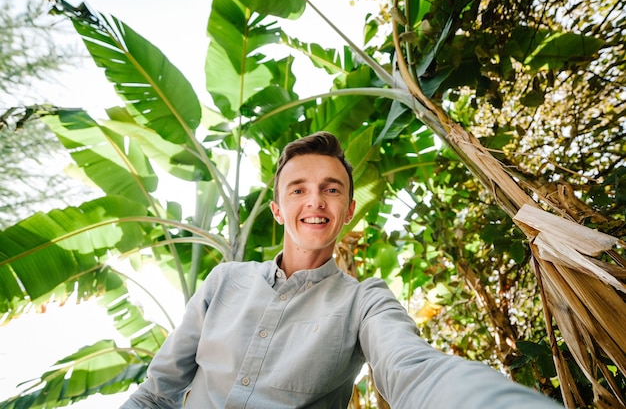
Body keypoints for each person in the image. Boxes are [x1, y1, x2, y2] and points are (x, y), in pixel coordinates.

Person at [120, 131, 562, 408]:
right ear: (278, 209)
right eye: (299, 190)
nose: (315, 201)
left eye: (330, 190)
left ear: (348, 210)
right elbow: (157, 394)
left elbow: (410, 367)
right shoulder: (224, 281)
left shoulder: (363, 300)